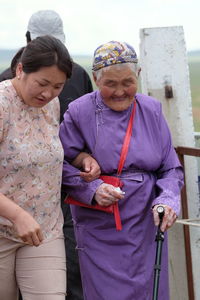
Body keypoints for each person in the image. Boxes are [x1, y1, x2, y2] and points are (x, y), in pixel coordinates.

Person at [59, 41, 184, 300]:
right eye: (110, 84)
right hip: (98, 227)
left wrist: (167, 200)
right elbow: (59, 165)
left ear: (138, 75)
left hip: (146, 222)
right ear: (94, 79)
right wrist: (92, 189)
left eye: (127, 82)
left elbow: (171, 168)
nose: (119, 92)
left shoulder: (152, 110)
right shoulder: (79, 112)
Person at [0, 10, 93, 299]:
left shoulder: (51, 105)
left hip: (44, 229)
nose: (49, 94)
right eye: (42, 84)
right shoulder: (2, 104)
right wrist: (17, 216)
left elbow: (52, 148)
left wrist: (81, 159)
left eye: (58, 86)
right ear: (20, 70)